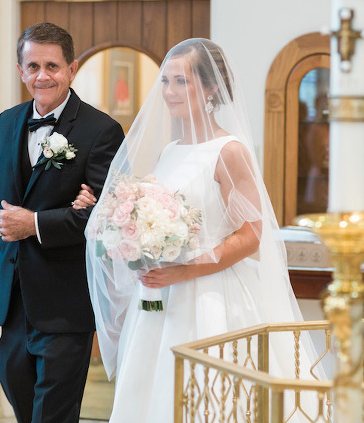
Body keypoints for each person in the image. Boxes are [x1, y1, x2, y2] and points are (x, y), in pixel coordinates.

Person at [77, 38, 322, 423]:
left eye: (181, 82)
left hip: (211, 294)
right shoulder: (169, 150)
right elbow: (149, 218)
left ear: (209, 88)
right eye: (165, 81)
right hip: (158, 296)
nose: (169, 92)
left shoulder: (229, 151)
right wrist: (123, 226)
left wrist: (186, 270)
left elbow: (250, 235)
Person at [0, 22, 124, 423]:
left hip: (66, 305)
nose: (42, 75)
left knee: (52, 415)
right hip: (13, 303)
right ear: (21, 70)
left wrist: (34, 223)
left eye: (52, 66)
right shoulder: (8, 122)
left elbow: (105, 218)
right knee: (20, 400)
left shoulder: (101, 130)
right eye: (33, 65)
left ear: (72, 69)